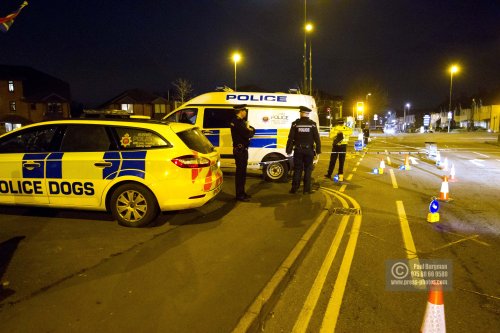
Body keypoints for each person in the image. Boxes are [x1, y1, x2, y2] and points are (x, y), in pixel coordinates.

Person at [286, 106, 321, 194]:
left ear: (301, 113)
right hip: (309, 151)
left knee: (297, 169)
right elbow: (317, 138)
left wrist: (288, 150)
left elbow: (290, 138)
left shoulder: (295, 124)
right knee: (308, 170)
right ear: (308, 114)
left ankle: (294, 188)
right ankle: (306, 190)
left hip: (298, 150)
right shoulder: (312, 124)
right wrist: (318, 150)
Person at [230, 104, 255, 202]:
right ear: (241, 111)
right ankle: (239, 195)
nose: (246, 112)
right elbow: (248, 134)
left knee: (243, 173)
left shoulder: (241, 122)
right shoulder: (236, 122)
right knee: (240, 174)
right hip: (239, 151)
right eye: (245, 111)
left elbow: (253, 130)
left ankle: (242, 192)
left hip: (243, 150)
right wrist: (249, 130)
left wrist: (250, 130)